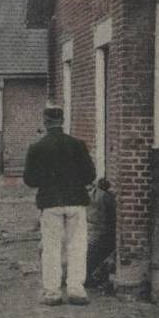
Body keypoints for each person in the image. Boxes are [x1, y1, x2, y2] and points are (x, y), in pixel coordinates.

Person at [24, 106, 96, 306]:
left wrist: (47, 180)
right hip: (76, 201)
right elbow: (90, 175)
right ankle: (76, 289)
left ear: (45, 122)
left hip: (50, 203)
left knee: (51, 247)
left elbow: (30, 180)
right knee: (77, 246)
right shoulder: (78, 145)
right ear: (62, 121)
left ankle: (53, 292)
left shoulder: (37, 148)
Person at [86, 178, 116, 287]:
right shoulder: (106, 197)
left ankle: (88, 276)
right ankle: (92, 276)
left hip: (92, 231)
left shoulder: (91, 195)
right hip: (102, 232)